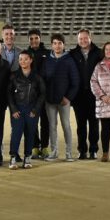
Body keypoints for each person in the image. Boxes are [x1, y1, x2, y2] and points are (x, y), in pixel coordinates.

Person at [41, 33, 80, 162]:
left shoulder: (69, 60)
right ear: (51, 45)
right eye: (55, 43)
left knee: (66, 125)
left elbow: (75, 81)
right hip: (50, 101)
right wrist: (45, 96)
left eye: (60, 43)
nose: (57, 46)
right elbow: (42, 80)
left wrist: (68, 98)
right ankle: (54, 151)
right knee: (52, 126)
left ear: (64, 45)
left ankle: (68, 153)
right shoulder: (47, 60)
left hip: (64, 101)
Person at [8, 51, 46, 169]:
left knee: (30, 133)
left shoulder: (37, 76)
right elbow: (8, 94)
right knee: (16, 133)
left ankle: (27, 157)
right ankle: (13, 157)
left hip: (32, 109)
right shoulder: (14, 76)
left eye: (25, 59)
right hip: (18, 109)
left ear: (31, 60)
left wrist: (35, 109)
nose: (22, 61)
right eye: (20, 59)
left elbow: (42, 94)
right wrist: (13, 109)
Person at [69, 29, 103, 160]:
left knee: (94, 124)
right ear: (77, 40)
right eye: (80, 39)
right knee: (81, 124)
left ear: (90, 37)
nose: (83, 41)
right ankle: (82, 150)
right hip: (79, 96)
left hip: (95, 95)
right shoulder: (72, 54)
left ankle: (93, 149)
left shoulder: (99, 53)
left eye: (85, 38)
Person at [26, 28, 51, 159]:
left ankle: (45, 147)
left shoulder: (48, 53)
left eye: (36, 38)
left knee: (45, 121)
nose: (34, 41)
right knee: (32, 120)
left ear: (40, 39)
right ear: (28, 40)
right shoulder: (26, 54)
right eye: (31, 39)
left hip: (45, 93)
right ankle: (35, 147)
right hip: (31, 94)